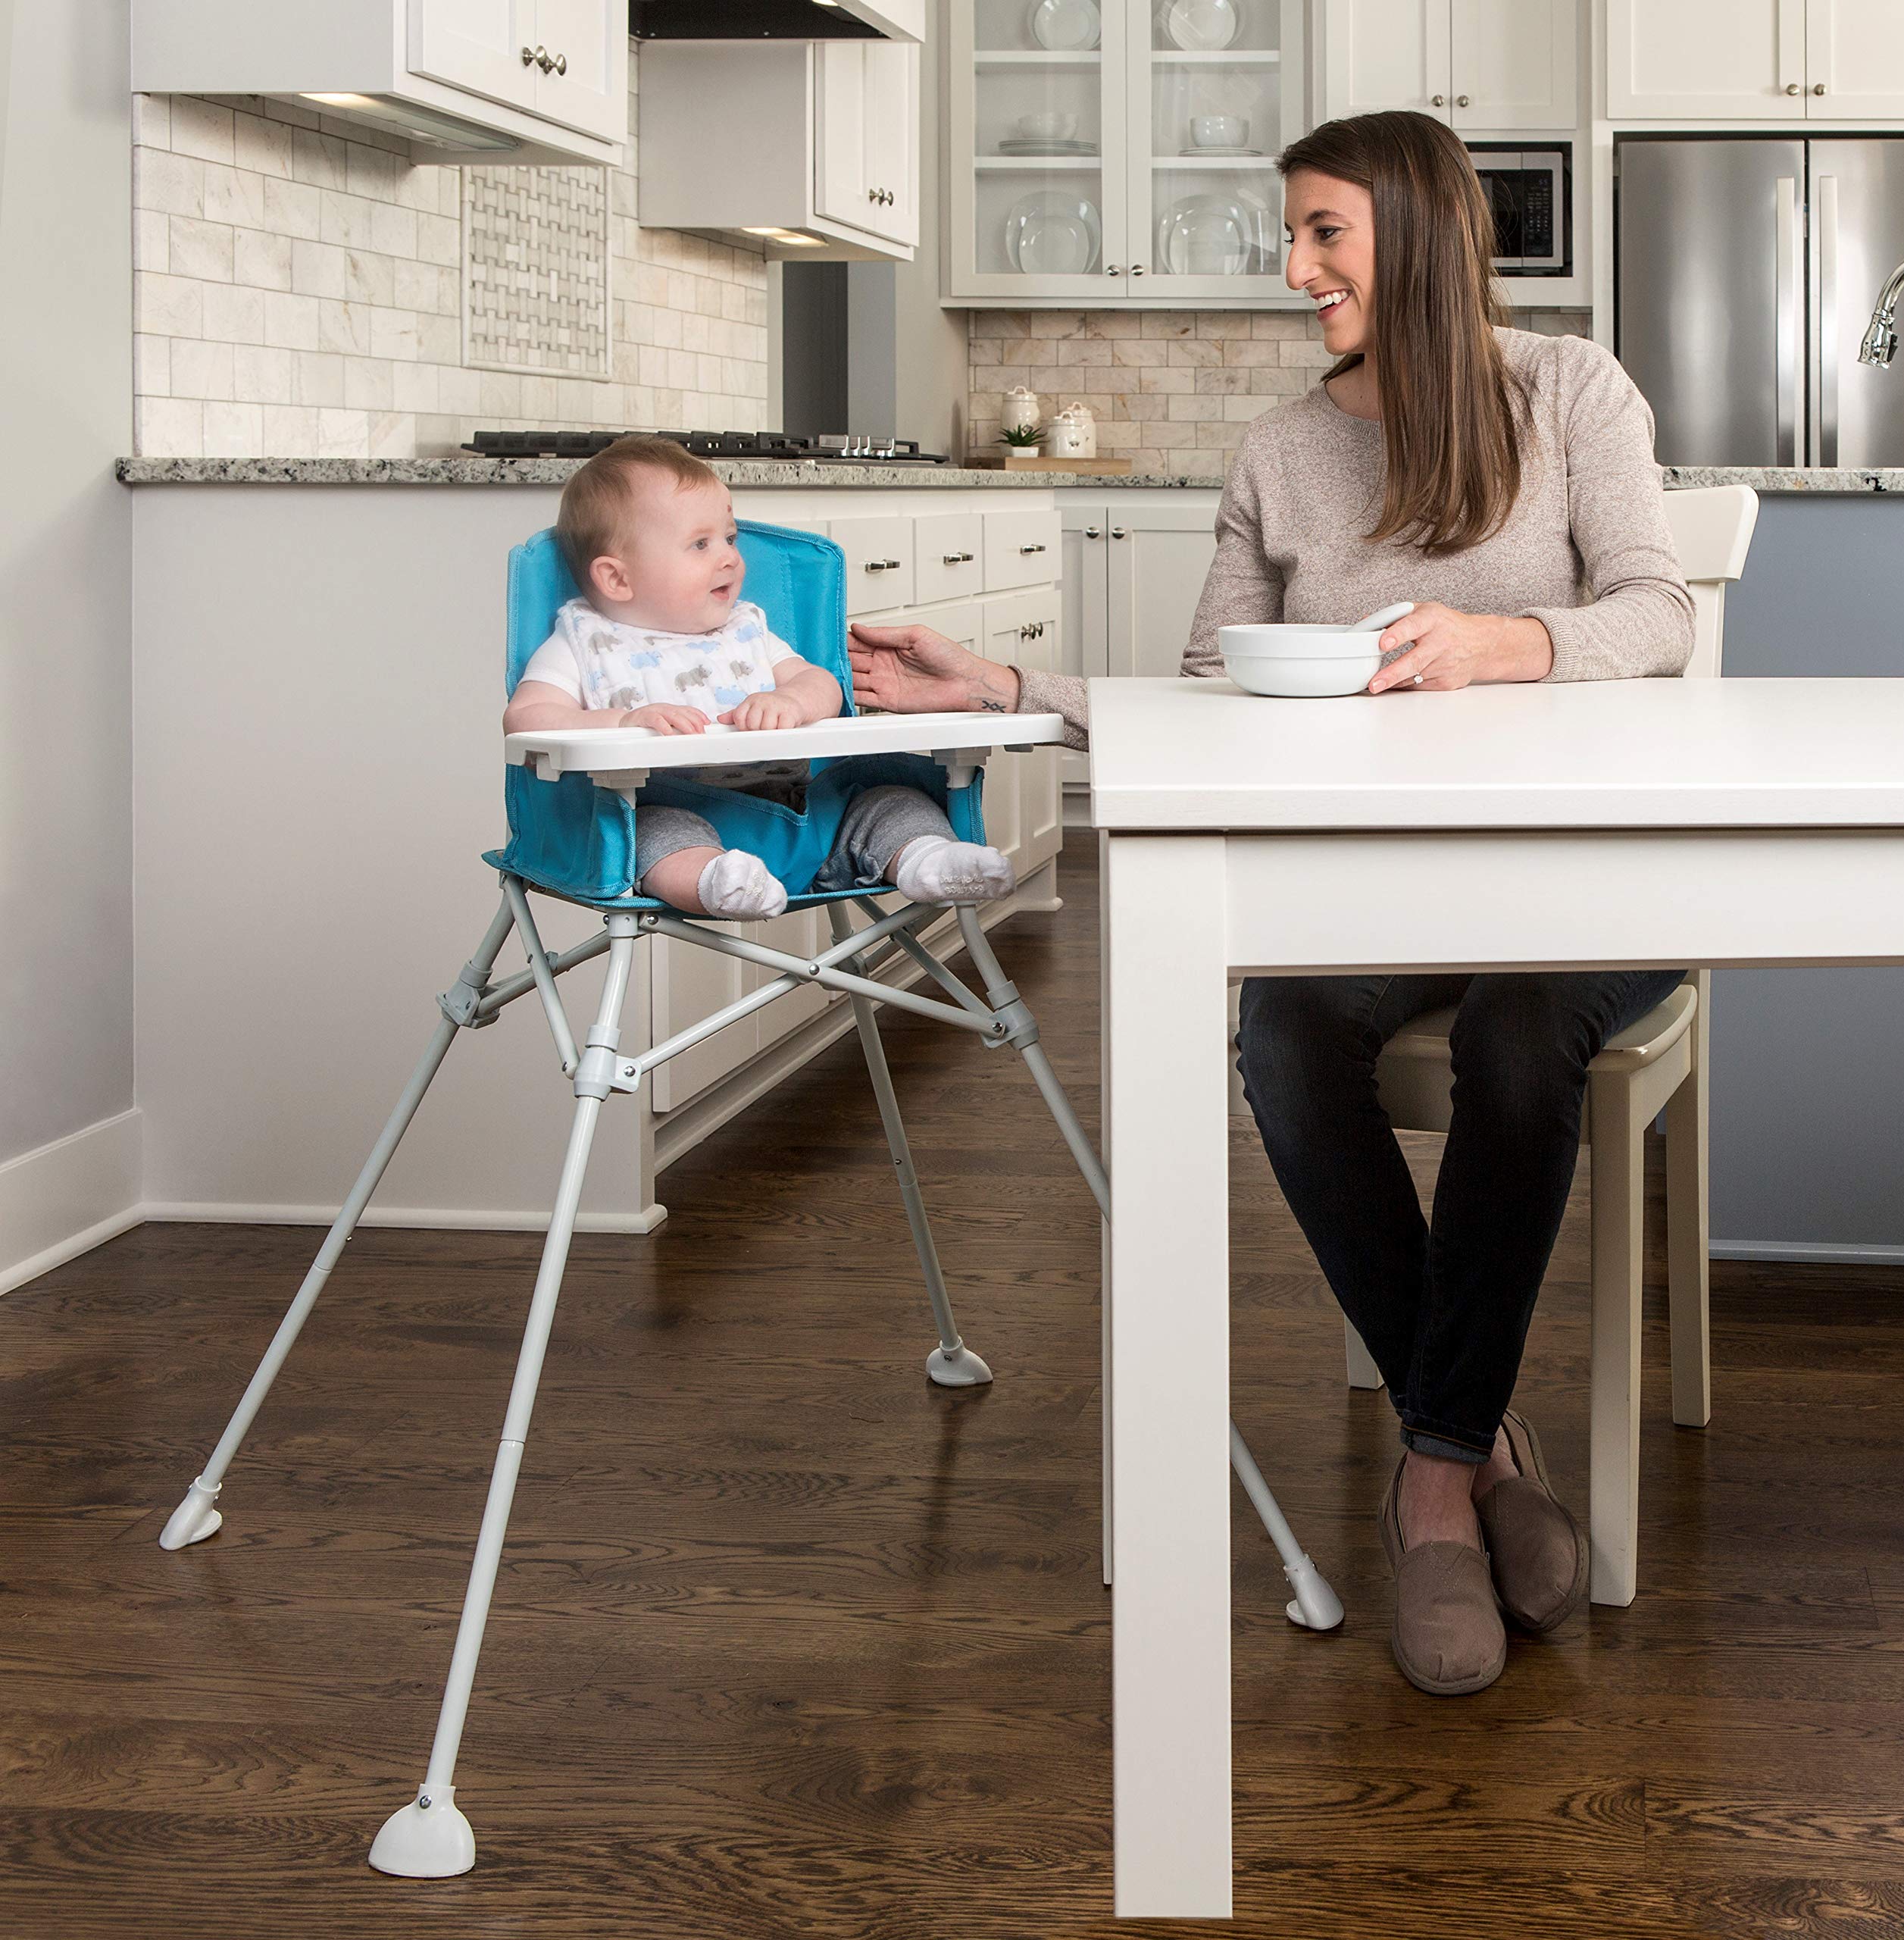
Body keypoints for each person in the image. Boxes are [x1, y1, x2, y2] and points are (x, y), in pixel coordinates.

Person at [848, 111, 1694, 1698]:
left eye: (1321, 233)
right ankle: (1486, 1448)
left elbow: (1655, 611)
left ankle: (1429, 1478)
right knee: (1284, 1029)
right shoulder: (1280, 451)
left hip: (1589, 865)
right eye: (1288, 234)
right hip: (1375, 887)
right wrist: (1006, 683)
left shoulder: (1571, 389)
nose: (1290, 267)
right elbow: (1197, 693)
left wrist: (1500, 642)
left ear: (1415, 234)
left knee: (1523, 1035)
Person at [505, 436, 1015, 918]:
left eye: (728, 538)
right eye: (700, 544)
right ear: (617, 577)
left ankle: (932, 861)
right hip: (671, 809)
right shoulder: (584, 643)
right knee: (653, 835)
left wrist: (793, 701)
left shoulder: (745, 631)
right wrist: (626, 721)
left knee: (891, 802)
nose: (729, 555)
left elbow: (822, 684)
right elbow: (526, 717)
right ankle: (717, 883)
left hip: (805, 817)